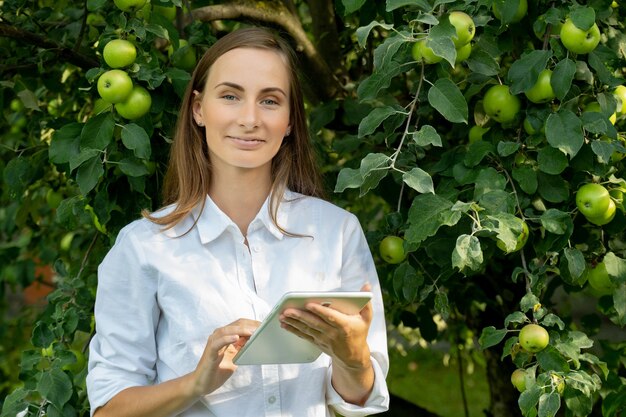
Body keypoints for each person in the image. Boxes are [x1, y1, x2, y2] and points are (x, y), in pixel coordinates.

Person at [86, 26, 390, 417]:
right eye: (230, 96)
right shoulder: (144, 246)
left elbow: (360, 401)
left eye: (270, 100)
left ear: (291, 120)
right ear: (198, 109)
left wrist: (353, 359)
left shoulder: (337, 232)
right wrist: (197, 383)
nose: (250, 119)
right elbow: (110, 409)